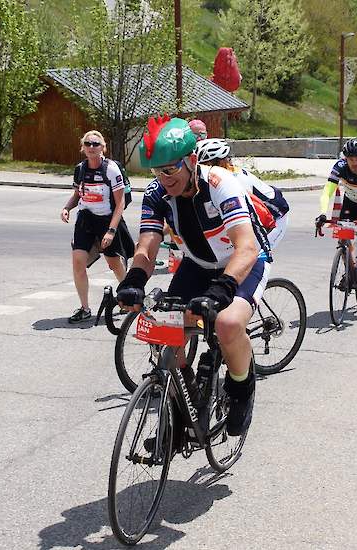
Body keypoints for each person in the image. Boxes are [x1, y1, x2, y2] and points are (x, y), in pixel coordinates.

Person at [116, 116, 267, 437]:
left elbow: (247, 246)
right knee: (163, 329)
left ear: (192, 161)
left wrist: (222, 289)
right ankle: (186, 395)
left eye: (170, 169)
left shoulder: (220, 184)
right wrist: (132, 281)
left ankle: (242, 388)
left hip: (243, 263)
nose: (163, 178)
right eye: (156, 171)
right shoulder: (158, 194)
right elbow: (147, 246)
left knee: (227, 324)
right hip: (198, 264)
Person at [60, 130, 133, 324]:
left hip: (107, 220)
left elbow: (120, 204)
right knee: (78, 261)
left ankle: (129, 295)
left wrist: (111, 231)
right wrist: (67, 207)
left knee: (114, 263)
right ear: (82, 147)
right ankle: (84, 308)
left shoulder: (111, 169)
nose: (91, 147)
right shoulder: (80, 169)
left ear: (103, 147)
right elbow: (78, 194)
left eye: (96, 144)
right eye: (88, 143)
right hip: (85, 218)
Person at [194, 137, 290, 250]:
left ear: (220, 162)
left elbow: (249, 218)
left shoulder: (235, 180)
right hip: (260, 213)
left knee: (252, 255)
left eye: (206, 165)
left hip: (276, 218)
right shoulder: (220, 175)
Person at [315, 138, 357, 283]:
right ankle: (349, 272)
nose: (355, 163)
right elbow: (327, 191)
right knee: (342, 236)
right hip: (350, 202)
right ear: (345, 159)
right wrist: (322, 213)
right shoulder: (340, 167)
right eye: (351, 159)